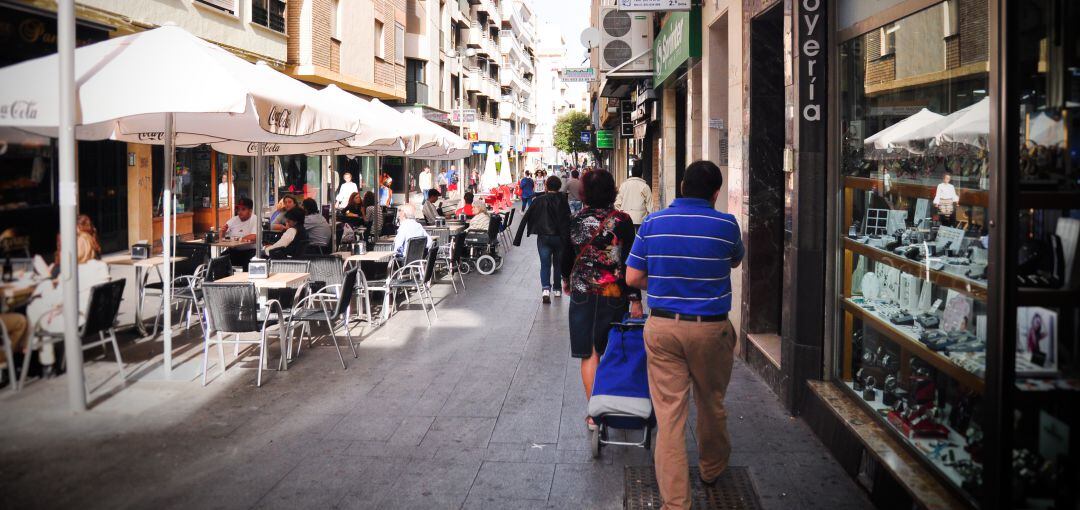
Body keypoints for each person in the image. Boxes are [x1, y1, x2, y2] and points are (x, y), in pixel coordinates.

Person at [624, 161, 744, 510]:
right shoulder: (726, 224)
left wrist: (663, 281)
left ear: (680, 186)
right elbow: (734, 261)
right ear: (716, 193)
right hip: (711, 329)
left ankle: (676, 503)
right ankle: (711, 469)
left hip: (662, 329)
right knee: (711, 403)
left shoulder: (653, 223)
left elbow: (632, 277)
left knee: (670, 417)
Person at [559, 169, 642, 429]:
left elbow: (565, 258)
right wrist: (636, 299)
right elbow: (630, 261)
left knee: (589, 354)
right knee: (611, 350)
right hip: (614, 294)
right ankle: (614, 403)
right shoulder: (622, 220)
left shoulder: (574, 219)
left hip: (583, 294)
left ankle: (594, 414)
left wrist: (566, 280)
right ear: (612, 191)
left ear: (584, 192)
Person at [513, 175, 571, 303]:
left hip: (544, 237)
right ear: (559, 187)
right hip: (560, 238)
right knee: (557, 264)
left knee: (545, 264)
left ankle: (545, 289)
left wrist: (518, 239)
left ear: (546, 186)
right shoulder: (563, 200)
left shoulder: (538, 200)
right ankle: (557, 289)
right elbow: (568, 219)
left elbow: (526, 217)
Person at [220, 197, 259, 270]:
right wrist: (223, 232)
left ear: (250, 211)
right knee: (219, 260)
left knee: (247, 263)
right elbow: (221, 237)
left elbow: (254, 237)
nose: (239, 212)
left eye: (243, 209)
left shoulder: (255, 219)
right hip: (233, 251)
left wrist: (238, 239)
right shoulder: (233, 220)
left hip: (250, 251)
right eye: (238, 209)